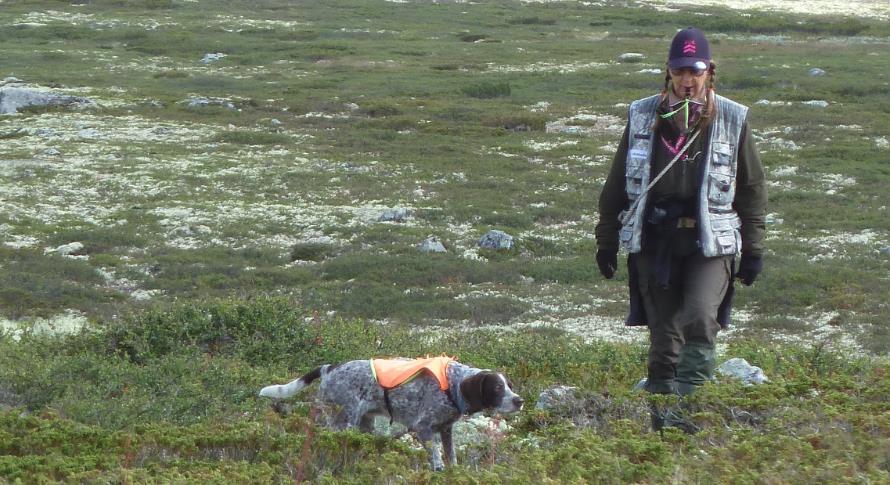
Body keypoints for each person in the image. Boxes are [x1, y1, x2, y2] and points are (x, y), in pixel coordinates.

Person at [594, 27, 767, 431]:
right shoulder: (641, 114)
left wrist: (755, 249)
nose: (688, 79)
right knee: (663, 332)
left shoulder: (733, 117)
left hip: (710, 241)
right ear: (668, 71)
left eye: (695, 70)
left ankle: (690, 417)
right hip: (656, 239)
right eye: (679, 70)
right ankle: (660, 424)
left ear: (709, 71)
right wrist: (606, 239)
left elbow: (753, 188)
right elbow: (616, 182)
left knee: (700, 319)